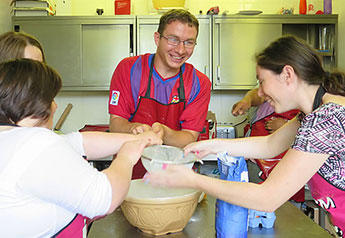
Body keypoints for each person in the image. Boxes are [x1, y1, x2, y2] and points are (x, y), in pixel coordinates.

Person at [144, 36, 345, 238]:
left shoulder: (326, 120)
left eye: (261, 81)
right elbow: (269, 144)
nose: (259, 92)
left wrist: (193, 180)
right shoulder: (316, 112)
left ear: (287, 74)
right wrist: (214, 145)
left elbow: (268, 197)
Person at [0, 59, 162, 237]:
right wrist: (126, 157)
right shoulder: (36, 143)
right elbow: (105, 198)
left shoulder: (12, 140)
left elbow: (79, 142)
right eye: (51, 99)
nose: (55, 106)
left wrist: (138, 139)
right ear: (34, 104)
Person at [108, 9, 211, 179]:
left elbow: (189, 137)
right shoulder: (129, 70)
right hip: (130, 172)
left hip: (175, 176)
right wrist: (135, 128)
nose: (180, 50)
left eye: (189, 42)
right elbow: (116, 124)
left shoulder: (199, 83)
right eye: (173, 39)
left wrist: (164, 132)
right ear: (157, 38)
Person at [232, 88, 304, 203]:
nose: (261, 91)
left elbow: (311, 132)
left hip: (289, 164)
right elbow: (258, 94)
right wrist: (248, 100)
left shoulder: (304, 98)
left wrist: (285, 126)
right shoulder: (268, 92)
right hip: (259, 164)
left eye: (262, 80)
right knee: (258, 205)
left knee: (286, 209)